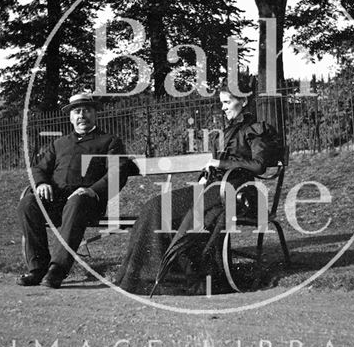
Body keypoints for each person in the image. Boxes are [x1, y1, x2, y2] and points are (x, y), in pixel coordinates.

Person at [114, 80, 280, 295]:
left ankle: (185, 277)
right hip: (213, 188)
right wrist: (205, 175)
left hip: (237, 193)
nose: (223, 107)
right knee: (154, 206)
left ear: (244, 100)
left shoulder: (256, 130)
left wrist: (221, 164)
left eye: (227, 102)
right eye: (222, 103)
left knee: (189, 217)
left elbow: (258, 166)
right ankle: (144, 275)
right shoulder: (227, 132)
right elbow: (214, 164)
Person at [17, 93, 134, 289]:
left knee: (77, 200)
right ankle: (37, 269)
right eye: (77, 111)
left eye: (87, 110)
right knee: (28, 203)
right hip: (56, 200)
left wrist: (91, 190)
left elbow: (118, 173)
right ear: (70, 117)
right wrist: (41, 184)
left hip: (87, 202)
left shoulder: (109, 141)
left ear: (95, 114)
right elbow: (39, 169)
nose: (82, 115)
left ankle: (56, 270)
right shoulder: (59, 143)